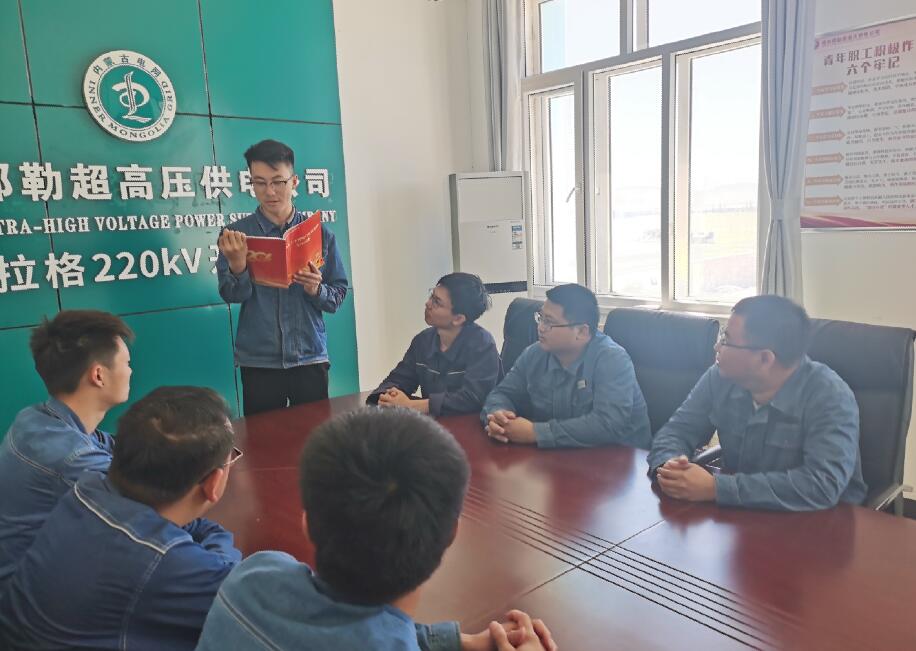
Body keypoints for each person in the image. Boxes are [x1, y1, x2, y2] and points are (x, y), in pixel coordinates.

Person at [196, 407, 555, 651]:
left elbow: (364, 629)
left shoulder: (251, 578)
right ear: (451, 535)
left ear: (306, 524)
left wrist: (460, 642)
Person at [0, 387, 243, 650]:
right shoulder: (164, 562)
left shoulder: (88, 487)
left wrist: (206, 534)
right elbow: (232, 591)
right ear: (214, 483)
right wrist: (218, 538)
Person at [647, 294, 868, 511]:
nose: (717, 347)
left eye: (726, 340)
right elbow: (677, 431)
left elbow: (821, 485)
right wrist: (671, 468)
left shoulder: (829, 396)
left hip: (823, 520)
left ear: (764, 358)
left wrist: (717, 488)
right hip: (745, 513)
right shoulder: (720, 377)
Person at [0, 310, 133, 593]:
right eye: (127, 363)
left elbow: (115, 447)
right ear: (98, 375)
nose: (131, 371)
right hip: (27, 603)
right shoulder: (73, 458)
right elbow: (153, 515)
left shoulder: (34, 418)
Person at [216, 138, 348, 416]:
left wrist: (316, 289)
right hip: (259, 360)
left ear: (294, 181)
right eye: (259, 182)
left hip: (309, 356)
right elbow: (231, 295)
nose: (270, 191)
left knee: (316, 434)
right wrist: (238, 266)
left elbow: (337, 296)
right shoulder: (236, 236)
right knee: (263, 438)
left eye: (278, 181)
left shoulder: (320, 234)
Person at [482, 283, 651, 449]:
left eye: (549, 322)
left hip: (619, 458)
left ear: (582, 332)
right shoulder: (535, 354)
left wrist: (536, 433)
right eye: (540, 318)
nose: (540, 328)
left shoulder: (612, 359)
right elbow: (502, 394)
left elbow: (607, 424)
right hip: (561, 455)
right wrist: (499, 417)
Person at [367, 272, 503, 416]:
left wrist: (412, 405)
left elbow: (472, 399)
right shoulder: (422, 341)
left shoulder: (483, 345)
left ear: (458, 318)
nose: (427, 304)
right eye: (432, 296)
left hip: (474, 424)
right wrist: (388, 397)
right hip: (435, 424)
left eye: (436, 302)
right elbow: (399, 378)